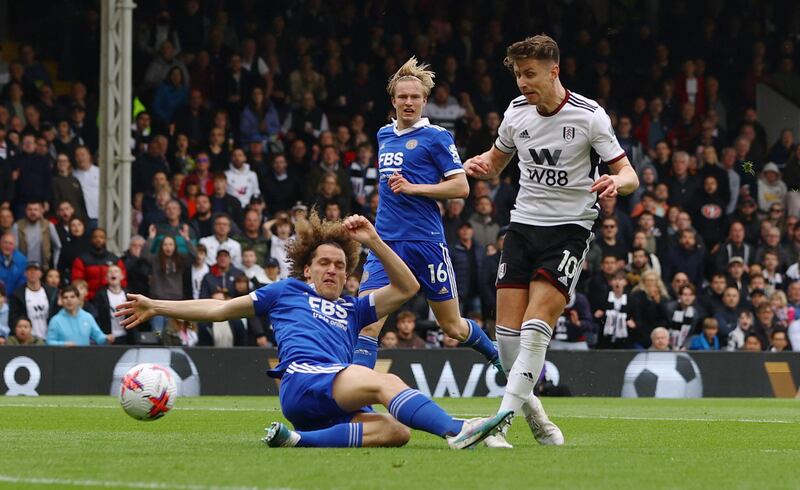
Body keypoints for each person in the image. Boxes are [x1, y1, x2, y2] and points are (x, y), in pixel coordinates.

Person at [115, 213, 511, 449]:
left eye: (340, 266)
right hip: (304, 379)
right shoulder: (286, 291)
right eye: (324, 263)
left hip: (324, 403)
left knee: (396, 432)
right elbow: (219, 308)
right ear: (307, 268)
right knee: (383, 381)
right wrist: (156, 305)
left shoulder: (354, 309)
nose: (332, 271)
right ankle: (457, 430)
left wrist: (375, 241)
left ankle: (299, 440)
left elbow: (408, 288)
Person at [464, 35, 638, 448]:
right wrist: (479, 166)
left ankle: (500, 423)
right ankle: (538, 417)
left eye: (530, 74)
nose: (523, 82)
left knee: (535, 329)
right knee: (506, 339)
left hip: (569, 231)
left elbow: (628, 173)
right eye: (518, 74)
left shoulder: (589, 116)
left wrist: (617, 182)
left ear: (554, 71)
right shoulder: (516, 113)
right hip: (523, 227)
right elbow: (496, 160)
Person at [356, 57, 501, 380]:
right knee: (367, 322)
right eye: (403, 97)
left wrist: (413, 187)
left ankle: (495, 354)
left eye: (415, 97)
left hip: (426, 242)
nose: (409, 102)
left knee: (451, 325)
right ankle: (358, 402)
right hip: (386, 242)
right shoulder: (383, 135)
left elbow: (461, 186)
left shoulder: (436, 137)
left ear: (424, 100)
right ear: (393, 101)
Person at [46, 285, 113, 346]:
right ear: (62, 301)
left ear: (78, 299)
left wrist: (106, 338)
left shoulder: (88, 317)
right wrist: (63, 344)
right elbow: (49, 342)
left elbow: (99, 337)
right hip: (63, 357)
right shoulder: (55, 320)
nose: (69, 300)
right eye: (65, 297)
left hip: (85, 357)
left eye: (72, 297)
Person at [8, 261, 59, 341]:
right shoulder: (17, 295)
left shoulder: (52, 293)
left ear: (41, 274)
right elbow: (13, 318)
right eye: (29, 270)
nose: (32, 273)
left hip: (49, 338)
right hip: (27, 340)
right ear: (25, 273)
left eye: (36, 270)